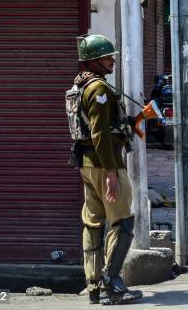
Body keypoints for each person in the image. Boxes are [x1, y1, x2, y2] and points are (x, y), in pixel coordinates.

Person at [66, 34, 143, 305]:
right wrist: (111, 172)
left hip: (87, 166)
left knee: (93, 223)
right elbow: (100, 134)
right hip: (104, 165)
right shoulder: (98, 89)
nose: (112, 61)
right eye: (108, 57)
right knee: (122, 221)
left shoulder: (81, 85)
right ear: (95, 61)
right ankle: (113, 284)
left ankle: (93, 286)